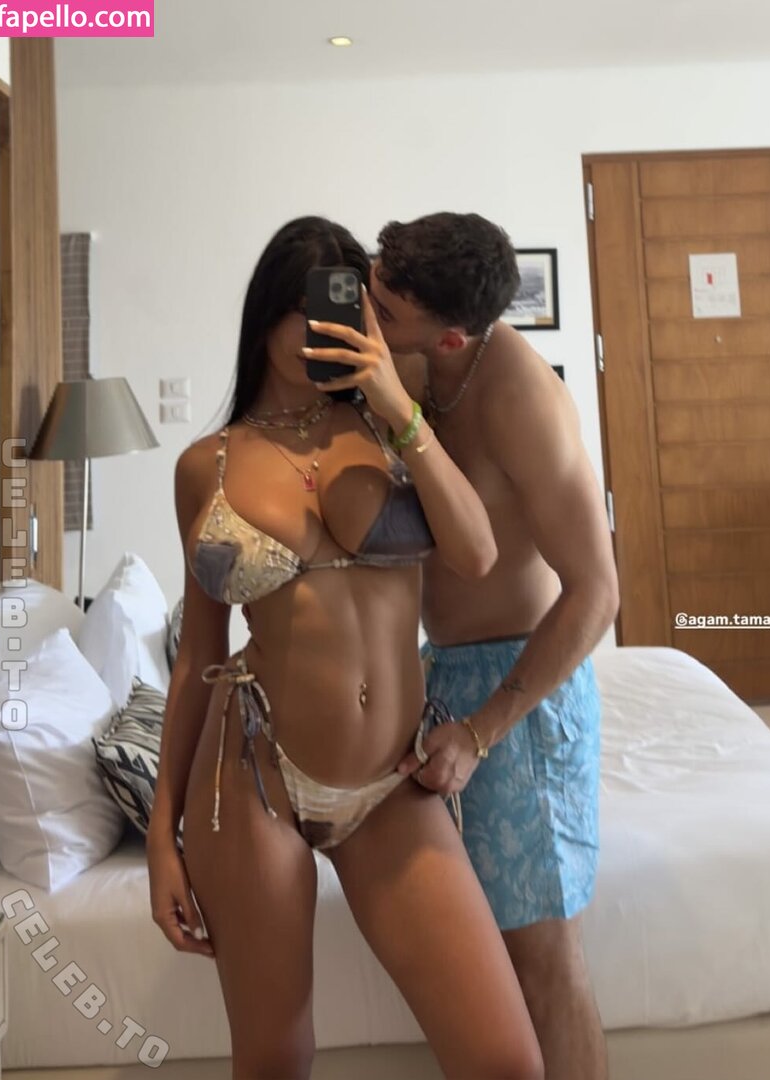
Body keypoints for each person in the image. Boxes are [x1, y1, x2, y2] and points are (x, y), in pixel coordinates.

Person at [146, 216, 543, 1080]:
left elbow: (477, 552)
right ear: (267, 315)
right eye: (307, 308)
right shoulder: (207, 465)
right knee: (276, 1061)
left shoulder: (393, 430)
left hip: (391, 784)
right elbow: (195, 655)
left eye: (347, 308)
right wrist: (160, 836)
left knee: (507, 1061)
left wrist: (397, 408)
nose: (325, 329)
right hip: (253, 777)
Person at [367, 211, 620, 1080]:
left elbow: (598, 591)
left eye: (387, 310)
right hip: (442, 675)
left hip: (521, 692)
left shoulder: (520, 398)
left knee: (543, 966)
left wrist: (484, 729)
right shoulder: (405, 360)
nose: (370, 313)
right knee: (484, 965)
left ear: (449, 338)